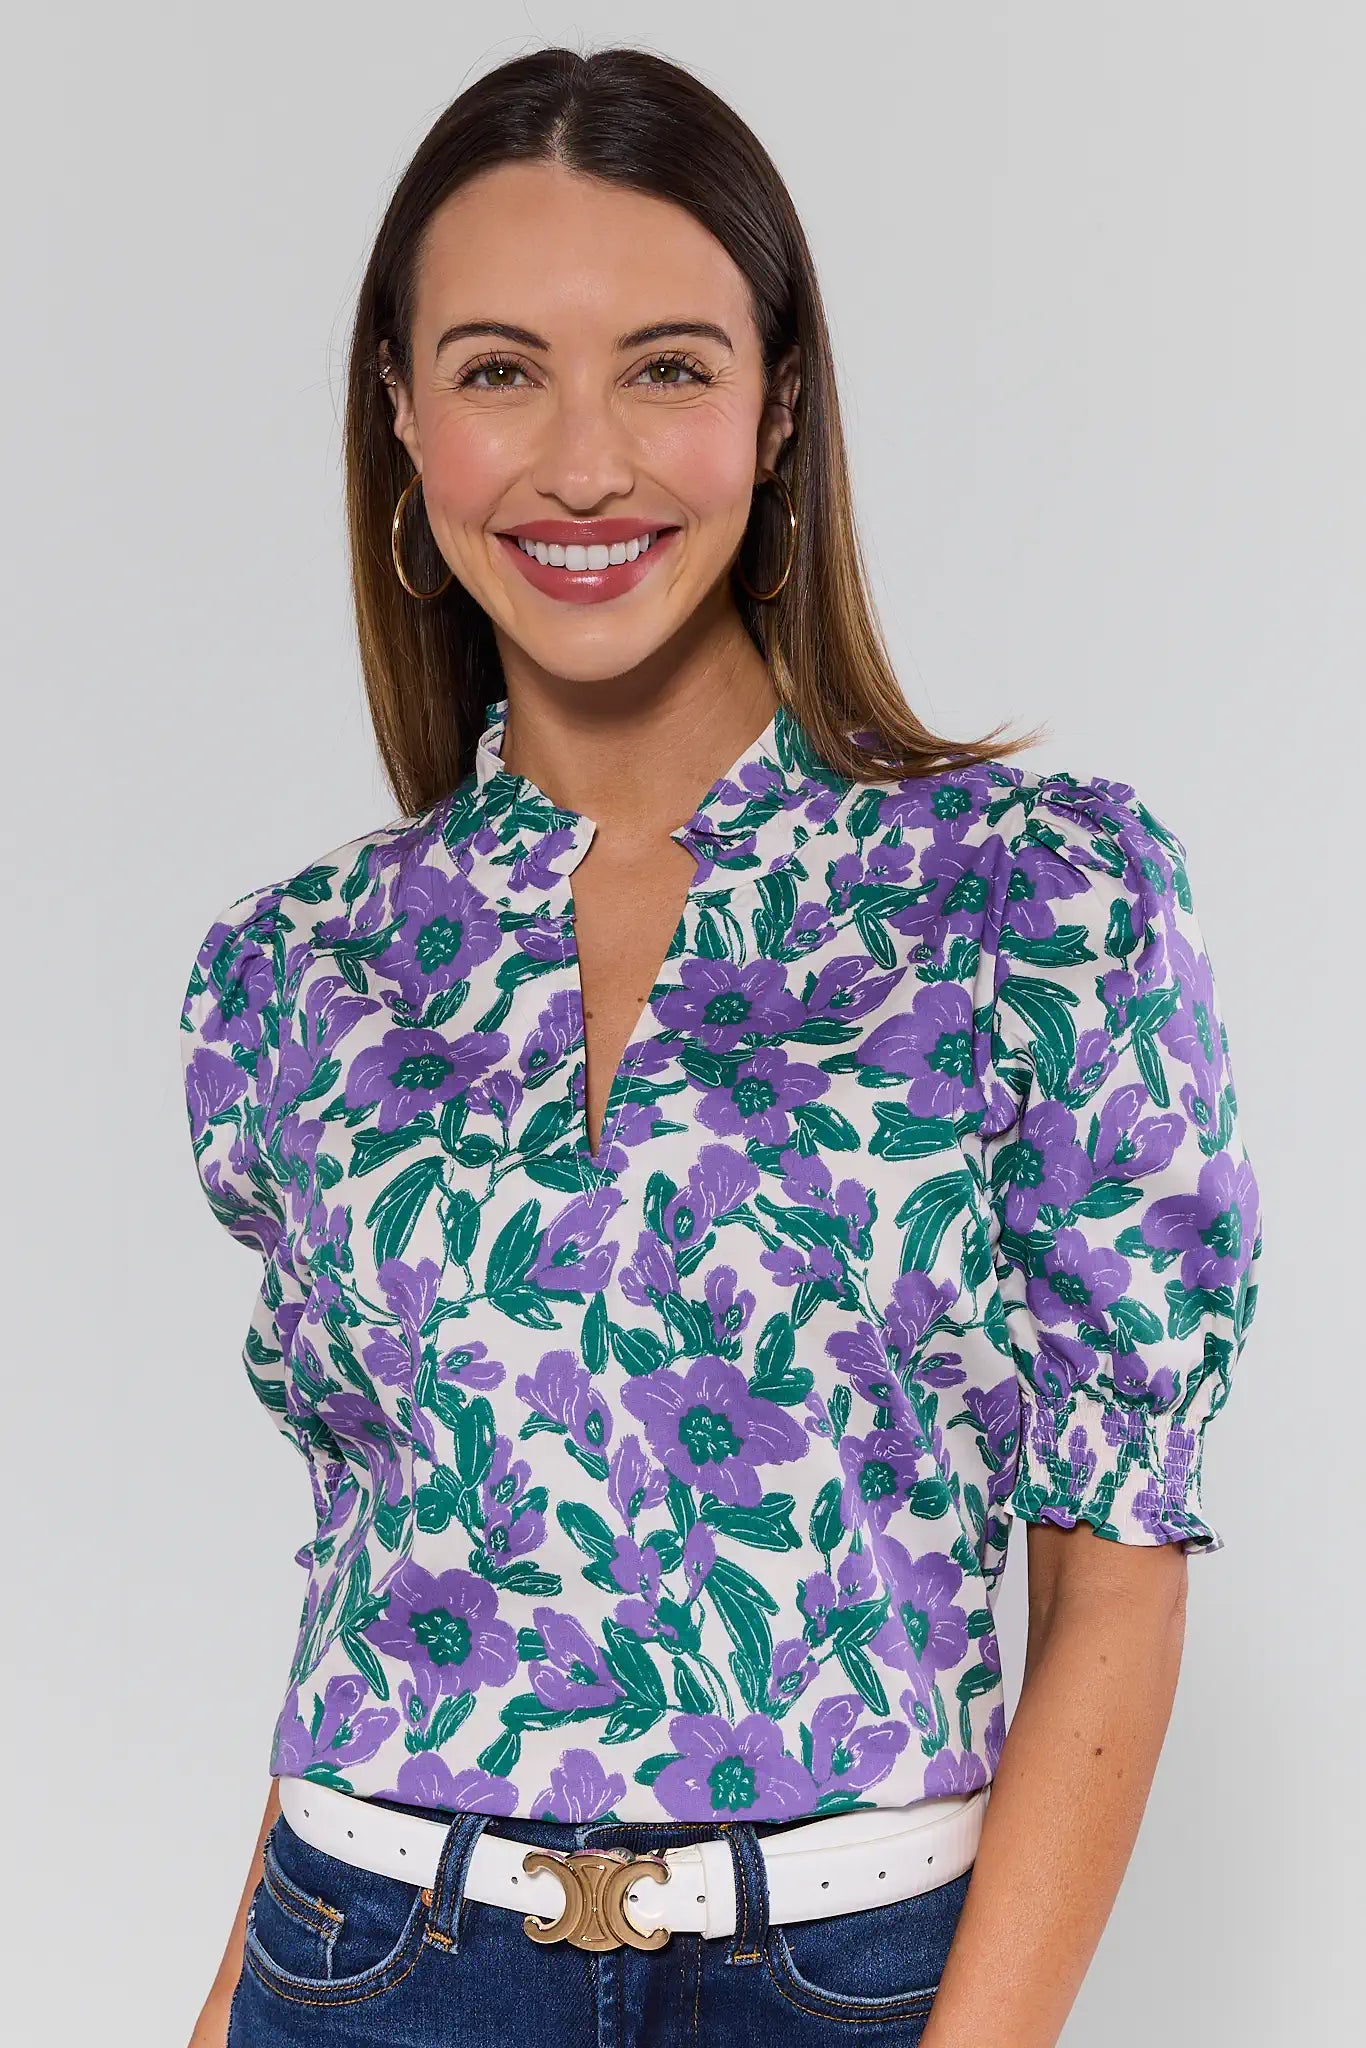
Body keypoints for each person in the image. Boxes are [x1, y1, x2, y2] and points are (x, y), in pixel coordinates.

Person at [182, 45, 1263, 2048]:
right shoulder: (300, 974)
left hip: (844, 1979)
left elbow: (1113, 1586)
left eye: (665, 367)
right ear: (403, 423)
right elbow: (370, 1577)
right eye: (499, 369)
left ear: (775, 409)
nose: (580, 459)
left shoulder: (1036, 901)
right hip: (360, 1963)